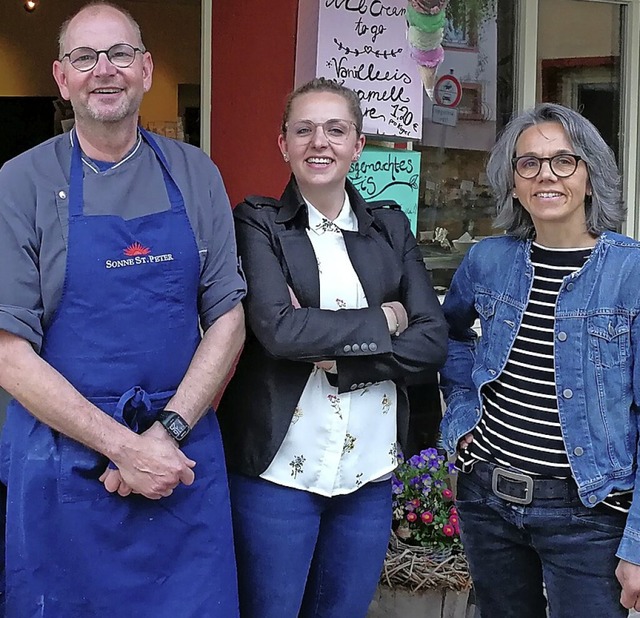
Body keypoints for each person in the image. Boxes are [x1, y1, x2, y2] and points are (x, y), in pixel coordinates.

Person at [0, 2, 246, 616]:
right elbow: (8, 353)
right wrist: (123, 447)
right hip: (64, 461)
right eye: (85, 57)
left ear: (147, 69)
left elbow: (227, 317)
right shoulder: (20, 181)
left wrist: (165, 434)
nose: (103, 70)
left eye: (120, 54)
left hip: (179, 459)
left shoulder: (196, 174)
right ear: (62, 78)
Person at [216, 77, 448, 617]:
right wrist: (385, 318)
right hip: (278, 473)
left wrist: (337, 355)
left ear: (357, 144)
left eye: (336, 130)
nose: (320, 142)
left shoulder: (390, 228)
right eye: (304, 130)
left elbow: (433, 340)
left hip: (368, 473)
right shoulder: (259, 222)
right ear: (284, 144)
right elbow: (278, 331)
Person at [439, 102, 640, 617]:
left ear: (591, 178)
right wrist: (463, 419)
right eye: (527, 163)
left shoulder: (630, 274)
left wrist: (637, 545)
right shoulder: (489, 260)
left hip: (589, 514)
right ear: (513, 183)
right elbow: (449, 335)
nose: (545, 174)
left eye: (563, 161)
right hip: (489, 500)